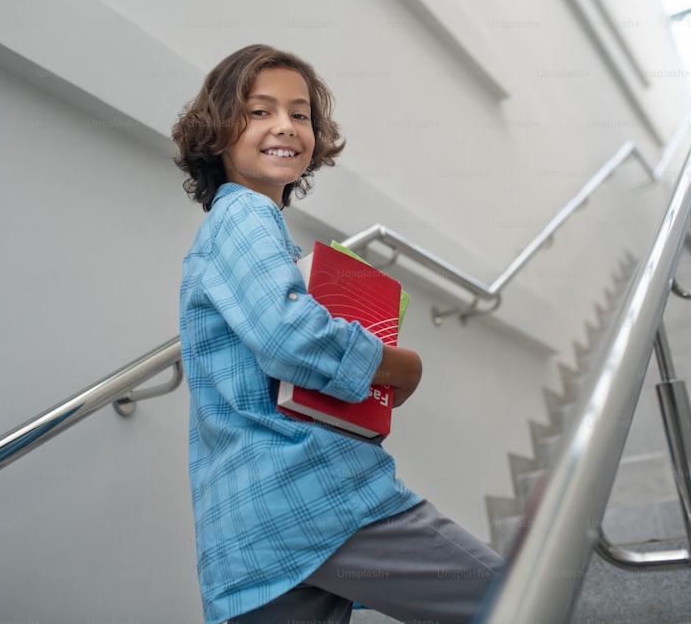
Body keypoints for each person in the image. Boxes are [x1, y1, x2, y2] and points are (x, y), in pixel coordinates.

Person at [173, 43, 504, 624]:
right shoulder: (244, 214)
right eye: (259, 111)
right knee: (515, 601)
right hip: (313, 499)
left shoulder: (243, 229)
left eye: (300, 114)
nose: (286, 127)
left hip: (252, 534)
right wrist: (400, 367)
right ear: (218, 130)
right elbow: (287, 335)